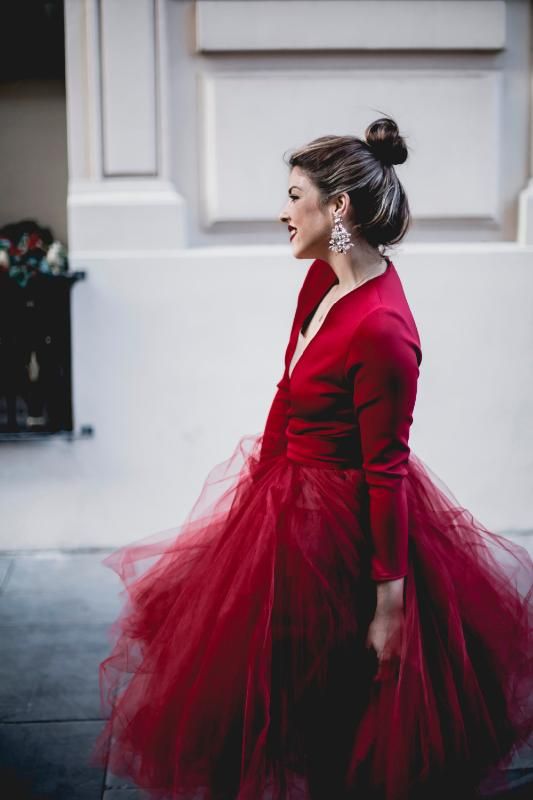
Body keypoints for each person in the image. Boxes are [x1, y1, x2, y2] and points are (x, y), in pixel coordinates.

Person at [90, 117, 533, 800]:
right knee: (271, 698)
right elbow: (288, 385)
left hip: (339, 534)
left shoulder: (382, 328)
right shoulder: (323, 281)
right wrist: (258, 486)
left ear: (339, 208)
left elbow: (385, 467)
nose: (281, 211)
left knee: (332, 707)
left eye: (294, 195)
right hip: (284, 506)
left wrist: (388, 604)